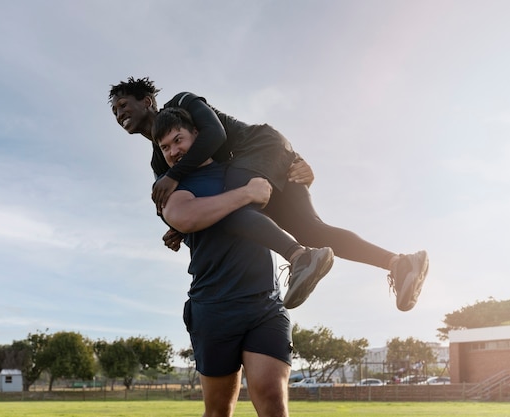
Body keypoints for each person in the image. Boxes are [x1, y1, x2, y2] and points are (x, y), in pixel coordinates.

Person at [109, 77, 429, 312]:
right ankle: (398, 263)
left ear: (147, 102)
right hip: (264, 165)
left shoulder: (182, 102)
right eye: (114, 112)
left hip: (260, 147)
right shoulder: (159, 159)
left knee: (233, 202)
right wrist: (178, 226)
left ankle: (299, 257)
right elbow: (179, 199)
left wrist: (288, 154)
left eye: (123, 105)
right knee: (312, 230)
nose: (119, 114)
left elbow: (217, 134)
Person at [153, 107, 292, 417]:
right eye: (165, 147)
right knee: (218, 411)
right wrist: (246, 194)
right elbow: (186, 216)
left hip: (264, 304)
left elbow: (282, 179)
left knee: (273, 402)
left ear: (198, 136)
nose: (174, 151)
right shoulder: (170, 187)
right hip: (214, 308)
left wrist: (300, 168)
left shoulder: (239, 167)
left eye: (179, 140)